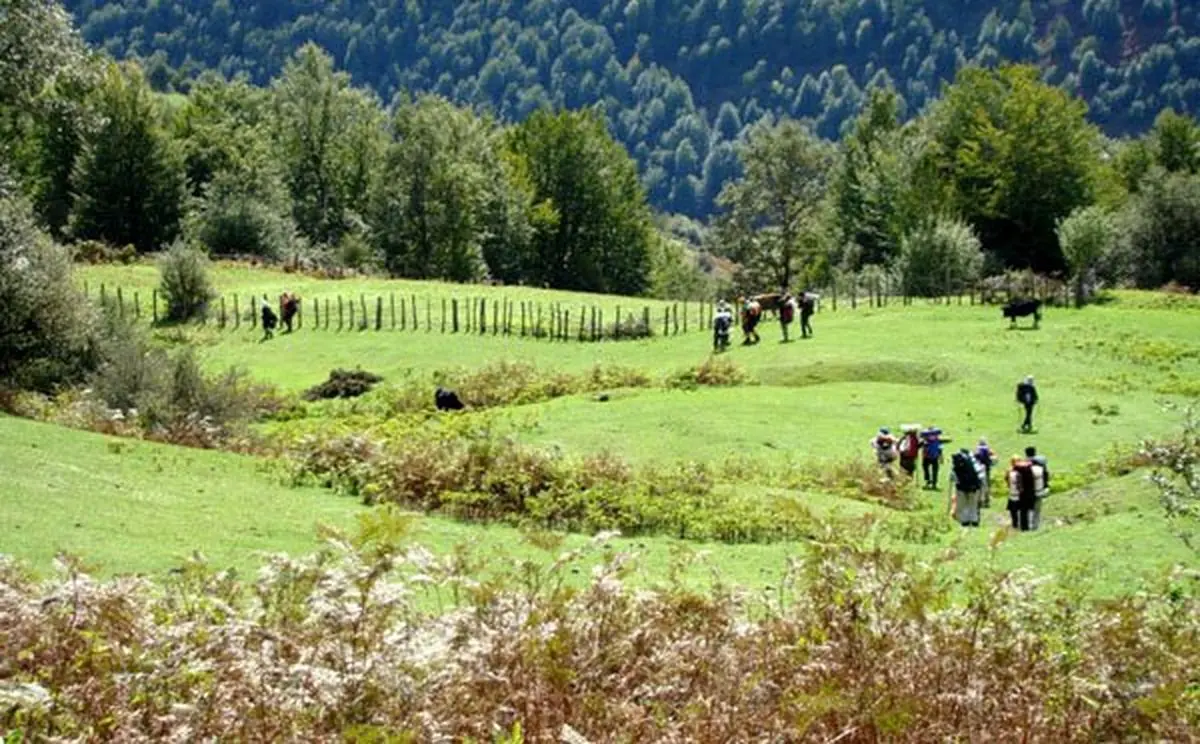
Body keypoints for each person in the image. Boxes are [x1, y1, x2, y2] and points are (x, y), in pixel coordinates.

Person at [1006, 454, 1045, 531]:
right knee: (1029, 510)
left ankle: (1018, 526)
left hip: (1015, 494)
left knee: (1018, 512)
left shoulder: (1011, 471)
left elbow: (1007, 482)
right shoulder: (1029, 470)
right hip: (1028, 493)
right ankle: (1030, 526)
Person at [949, 447, 986, 527]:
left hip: (961, 487)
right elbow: (981, 475)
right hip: (974, 486)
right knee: (973, 503)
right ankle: (974, 520)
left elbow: (953, 476)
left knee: (963, 504)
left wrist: (954, 480)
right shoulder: (973, 461)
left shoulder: (956, 462)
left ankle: (965, 521)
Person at [1024, 446, 1050, 529]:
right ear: (1035, 453)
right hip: (1040, 488)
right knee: (1037, 508)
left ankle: (1029, 525)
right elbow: (1046, 475)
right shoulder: (1041, 463)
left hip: (1028, 490)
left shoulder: (1025, 464)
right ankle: (1036, 526)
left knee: (1028, 508)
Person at [974, 438, 996, 508]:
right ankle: (986, 500)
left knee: (979, 486)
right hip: (986, 469)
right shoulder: (988, 450)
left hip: (979, 469)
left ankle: (979, 501)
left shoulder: (977, 450)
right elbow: (994, 459)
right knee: (987, 485)